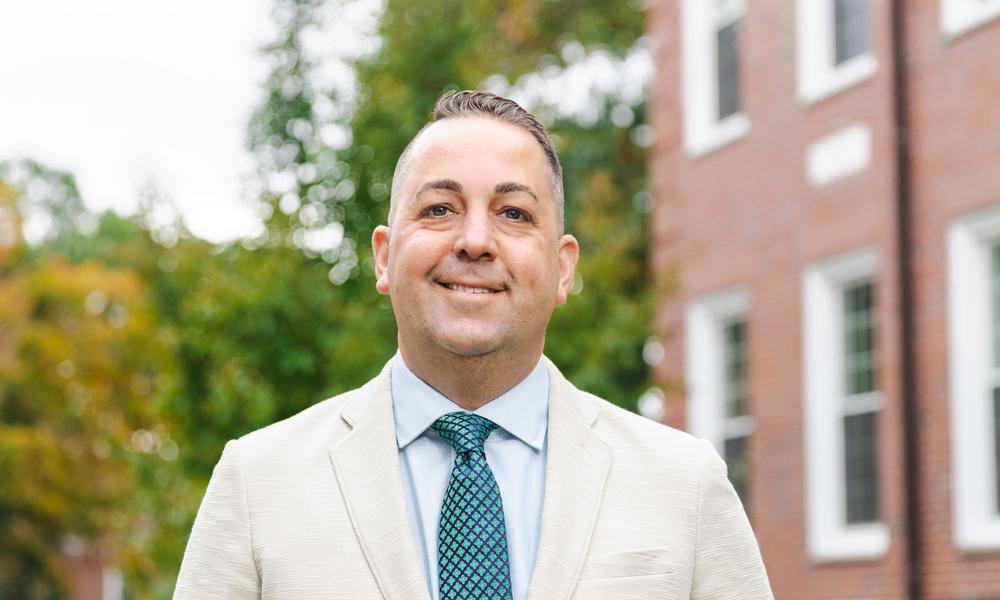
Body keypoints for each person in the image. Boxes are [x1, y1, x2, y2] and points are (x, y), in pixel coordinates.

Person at [173, 90, 773, 599]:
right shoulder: (257, 482)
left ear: (563, 268)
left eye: (513, 213)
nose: (476, 240)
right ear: (384, 256)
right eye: (440, 208)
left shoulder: (683, 483)